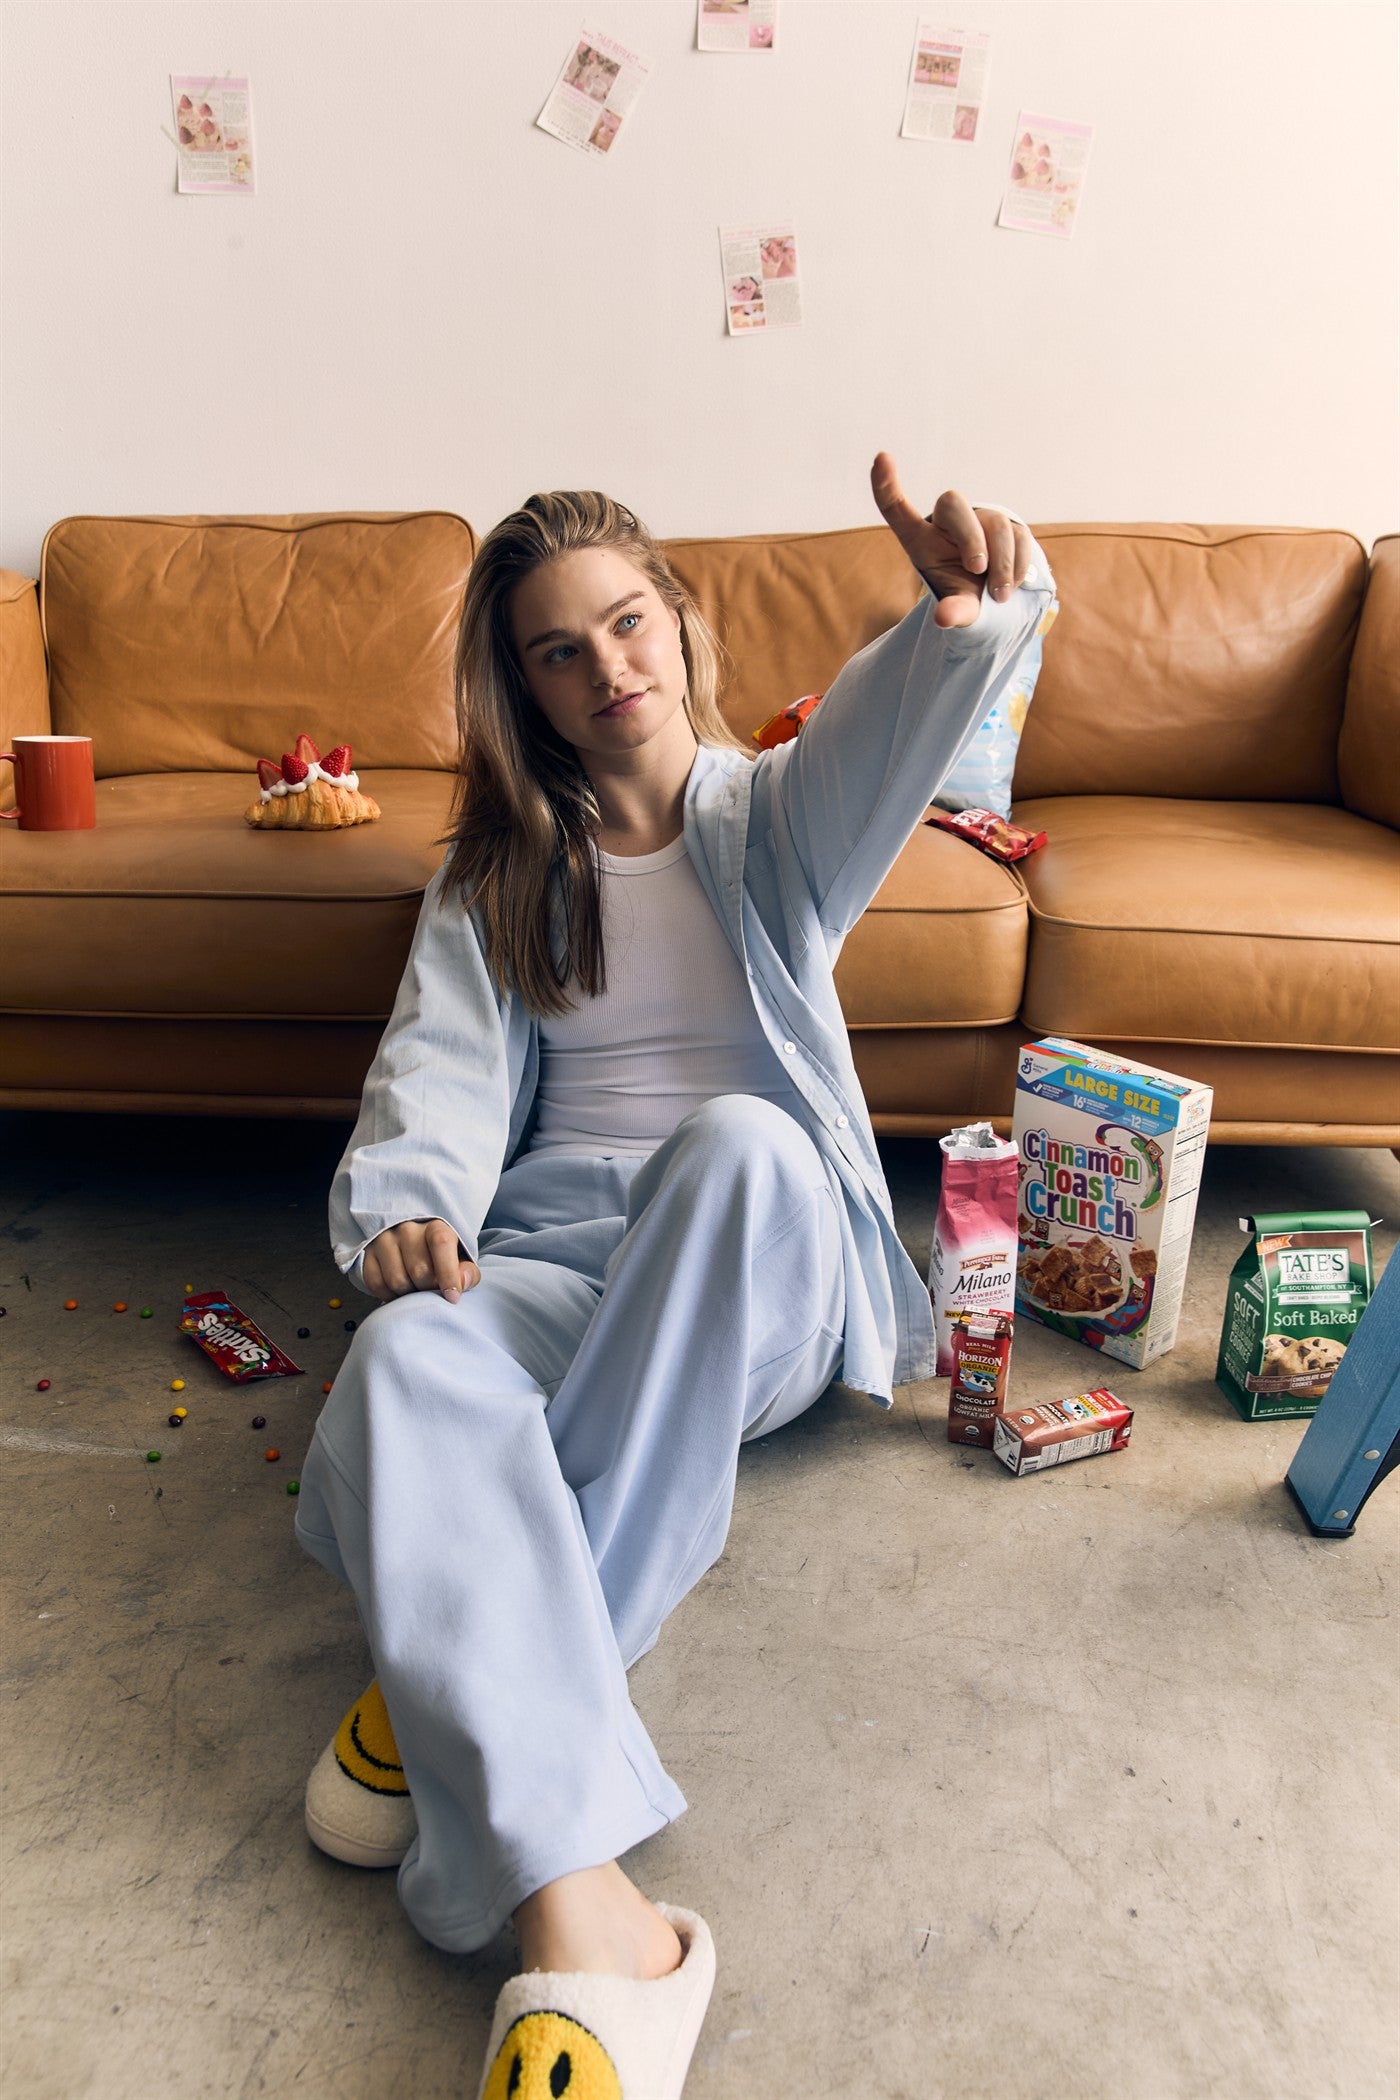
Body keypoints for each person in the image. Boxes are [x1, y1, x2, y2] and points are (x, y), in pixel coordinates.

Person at [293, 458, 1054, 2098]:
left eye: (628, 622)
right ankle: (596, 1929)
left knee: (741, 1145)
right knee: (407, 1363)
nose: (608, 667)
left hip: (752, 1268)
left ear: (679, 624)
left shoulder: (776, 820)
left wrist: (964, 610)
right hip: (568, 1268)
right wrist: (410, 1224)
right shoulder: (495, 879)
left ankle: (448, 1683)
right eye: (560, 651)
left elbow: (889, 725)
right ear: (531, 690)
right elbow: (426, 1082)